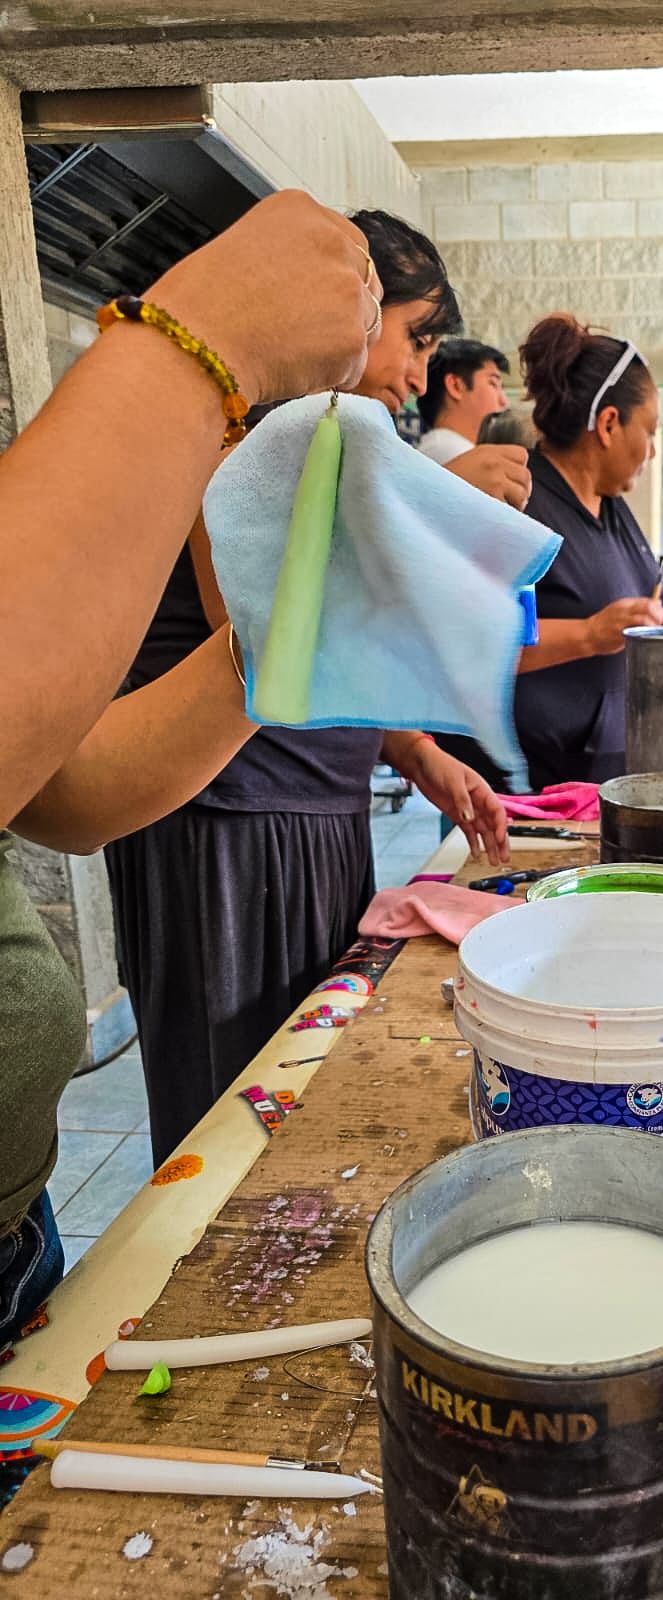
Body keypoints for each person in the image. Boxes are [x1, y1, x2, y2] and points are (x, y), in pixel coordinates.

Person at [0, 192, 381, 1363]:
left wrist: (281, 634)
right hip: (234, 824)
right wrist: (197, 340)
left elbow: (58, 783)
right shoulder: (223, 420)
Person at [103, 208, 510, 1167]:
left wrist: (414, 751)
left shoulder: (335, 439)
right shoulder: (234, 426)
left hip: (316, 815)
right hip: (225, 825)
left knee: (305, 1089)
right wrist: (434, 512)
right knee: (227, 1114)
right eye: (416, 339)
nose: (421, 375)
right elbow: (258, 636)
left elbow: (342, 653)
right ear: (347, 307)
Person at [512, 315, 663, 790]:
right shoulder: (524, 503)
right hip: (541, 783)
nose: (651, 452)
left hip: (609, 772)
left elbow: (630, 598)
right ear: (609, 424)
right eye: (650, 431)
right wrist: (589, 634)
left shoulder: (611, 505)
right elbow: (481, 642)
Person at [417, 338, 511, 465]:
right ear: (455, 386)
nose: (504, 402)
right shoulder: (450, 452)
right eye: (493, 384)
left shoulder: (446, 449)